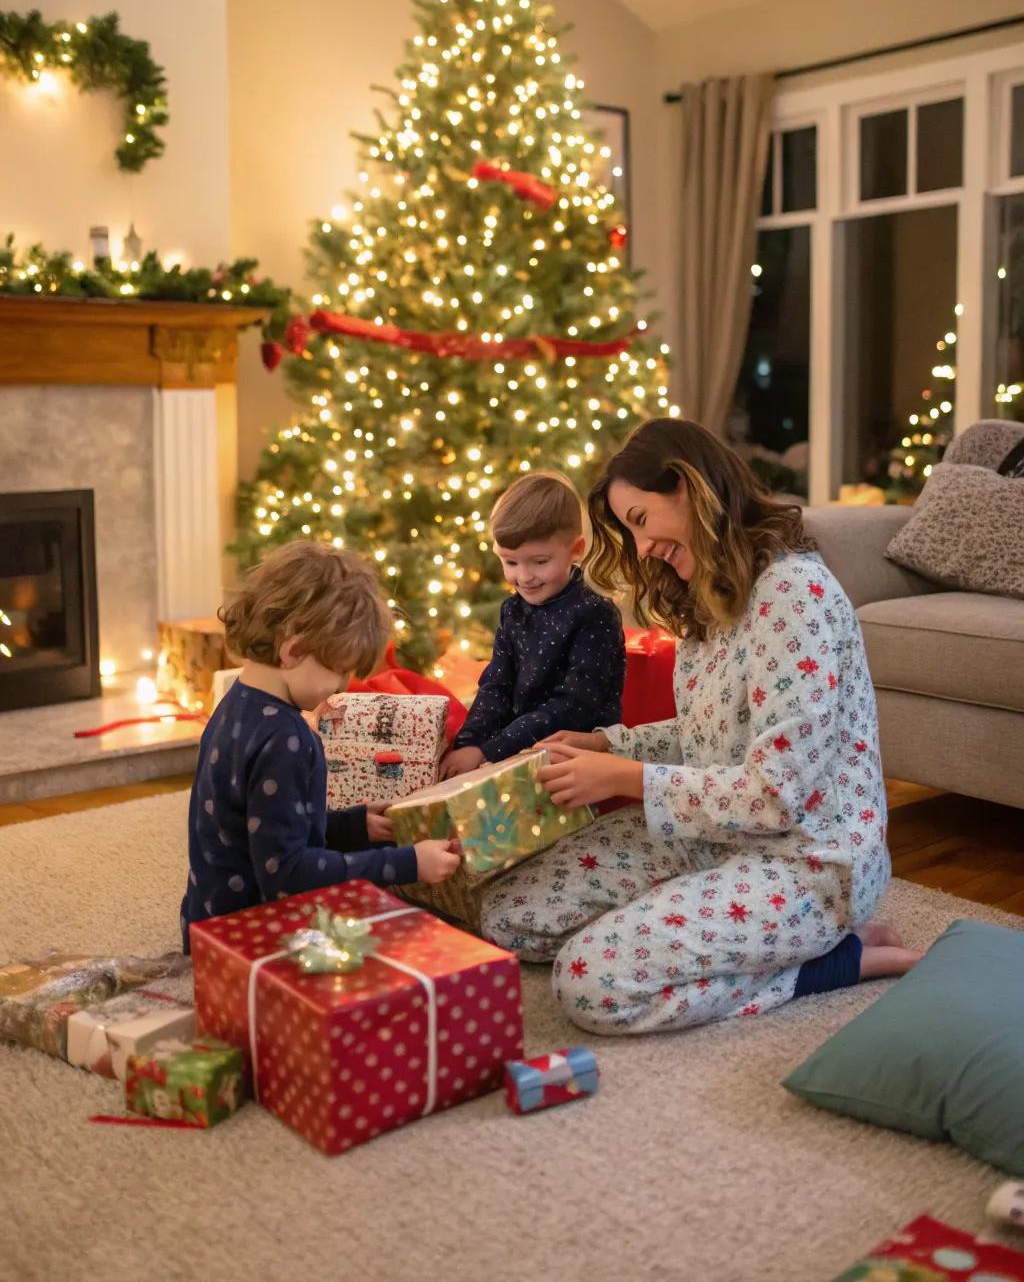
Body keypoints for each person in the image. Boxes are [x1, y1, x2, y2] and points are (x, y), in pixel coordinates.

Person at [479, 420, 919, 1034]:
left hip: (808, 860)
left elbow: (776, 795)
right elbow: (702, 734)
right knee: (508, 915)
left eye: (639, 520)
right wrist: (608, 742)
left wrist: (627, 777)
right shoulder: (705, 598)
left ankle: (833, 957)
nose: (638, 549)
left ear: (688, 489)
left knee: (592, 984)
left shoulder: (793, 595)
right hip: (705, 835)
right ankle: (700, 927)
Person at [180, 541, 459, 949]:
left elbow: (267, 824)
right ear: (294, 651)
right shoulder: (286, 737)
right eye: (339, 671)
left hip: (210, 923)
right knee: (405, 937)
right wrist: (408, 863)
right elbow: (289, 875)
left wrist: (350, 825)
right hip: (253, 942)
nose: (344, 688)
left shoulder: (234, 701)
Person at [440, 471, 625, 778]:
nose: (524, 577)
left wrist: (492, 749)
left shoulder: (594, 613)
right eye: (511, 562)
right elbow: (496, 686)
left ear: (576, 550)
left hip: (574, 759)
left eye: (540, 562)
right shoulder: (513, 610)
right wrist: (470, 743)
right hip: (513, 751)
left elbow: (576, 705)